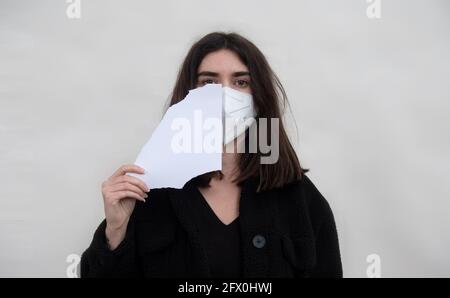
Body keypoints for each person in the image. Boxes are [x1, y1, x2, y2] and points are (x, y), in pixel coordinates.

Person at [80, 32, 343, 278]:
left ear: (260, 99)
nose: (224, 94)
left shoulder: (301, 198)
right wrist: (115, 231)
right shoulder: (151, 192)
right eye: (209, 82)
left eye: (241, 82)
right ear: (187, 96)